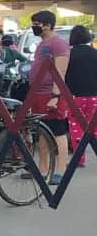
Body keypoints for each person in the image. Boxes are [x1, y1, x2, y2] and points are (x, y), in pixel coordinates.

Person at [26, 10, 71, 184]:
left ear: (47, 25)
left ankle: (60, 171)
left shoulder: (58, 44)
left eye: (37, 23)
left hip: (50, 94)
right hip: (37, 94)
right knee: (41, 134)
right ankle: (42, 170)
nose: (34, 27)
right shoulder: (42, 44)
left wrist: (55, 96)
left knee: (58, 132)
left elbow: (60, 72)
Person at [64, 25, 97, 168]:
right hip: (95, 96)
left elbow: (64, 75)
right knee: (95, 128)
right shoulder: (95, 53)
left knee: (76, 128)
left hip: (75, 97)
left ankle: (79, 159)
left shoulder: (69, 55)